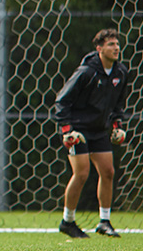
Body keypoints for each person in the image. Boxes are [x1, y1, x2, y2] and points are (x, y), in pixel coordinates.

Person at [54, 28, 130, 238]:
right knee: (82, 173)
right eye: (111, 45)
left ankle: (104, 221)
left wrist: (117, 126)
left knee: (108, 172)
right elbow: (62, 100)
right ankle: (67, 222)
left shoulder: (120, 73)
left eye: (117, 44)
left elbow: (117, 106)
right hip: (78, 129)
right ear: (99, 49)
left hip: (99, 130)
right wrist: (67, 130)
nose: (116, 48)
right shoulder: (86, 72)